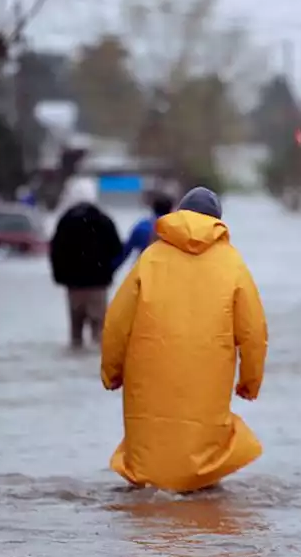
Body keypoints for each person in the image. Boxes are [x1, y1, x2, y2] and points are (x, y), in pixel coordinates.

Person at [100, 186, 268, 493]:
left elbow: (116, 322)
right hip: (208, 374)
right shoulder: (232, 264)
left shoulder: (150, 259)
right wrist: (250, 381)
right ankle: (197, 508)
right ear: (218, 220)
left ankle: (146, 513)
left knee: (150, 452)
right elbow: (253, 331)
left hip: (150, 373)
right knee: (204, 451)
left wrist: (112, 372)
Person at [49, 176, 123, 348]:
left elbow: (55, 251)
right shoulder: (104, 220)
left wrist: (60, 277)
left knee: (76, 334)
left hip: (74, 286)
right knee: (99, 334)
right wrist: (108, 273)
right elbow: (117, 249)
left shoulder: (65, 220)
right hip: (98, 285)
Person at [114, 192, 173, 269]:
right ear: (171, 209)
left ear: (153, 208)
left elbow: (125, 252)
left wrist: (110, 269)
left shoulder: (142, 226)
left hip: (145, 271)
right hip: (170, 272)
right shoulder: (176, 228)